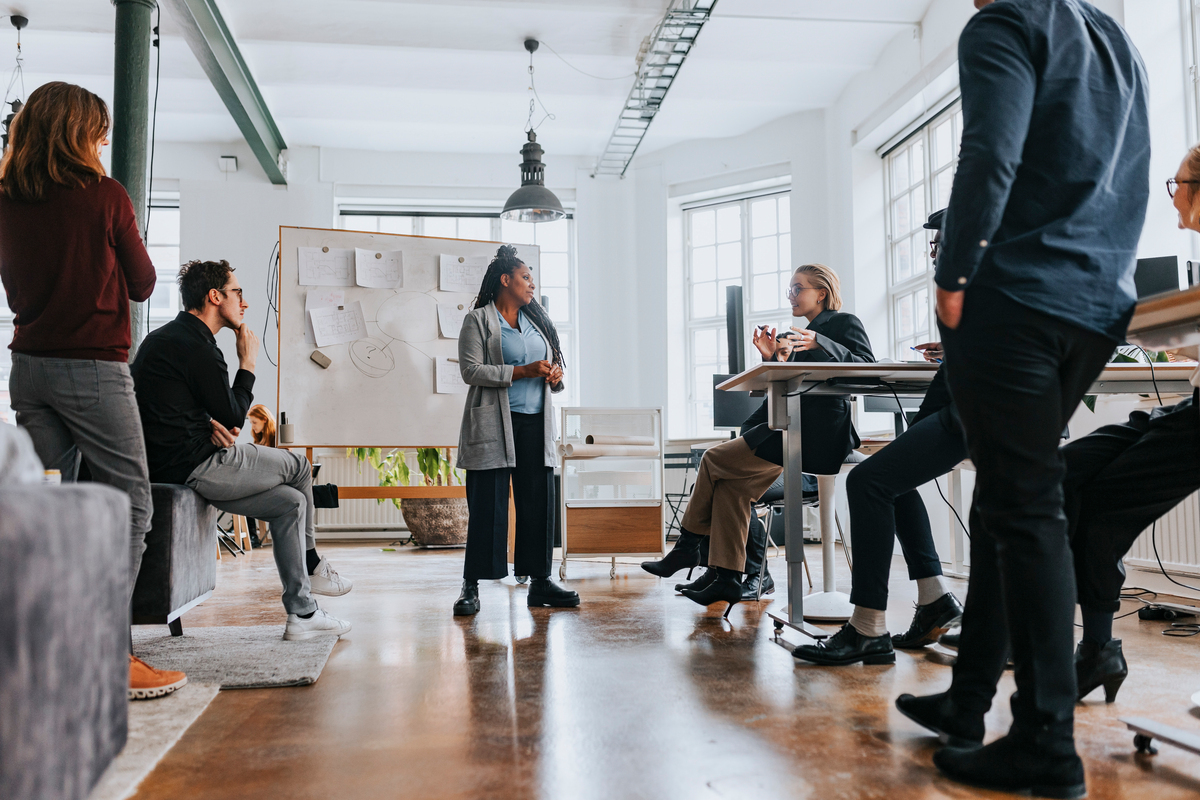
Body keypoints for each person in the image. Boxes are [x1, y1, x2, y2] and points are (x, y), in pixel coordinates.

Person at [895, 1, 1151, 796]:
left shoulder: (1004, 24)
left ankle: (1045, 742)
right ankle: (969, 703)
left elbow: (988, 150)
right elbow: (1132, 173)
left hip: (1018, 300)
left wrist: (953, 272)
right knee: (1012, 506)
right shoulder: (1114, 37)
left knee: (1025, 509)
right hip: (1098, 300)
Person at [0, 81, 186, 699]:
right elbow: (142, 284)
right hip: (93, 372)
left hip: (28, 369)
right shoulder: (104, 195)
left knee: (47, 512)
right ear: (80, 133)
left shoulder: (4, 197)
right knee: (131, 505)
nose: (104, 140)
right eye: (98, 130)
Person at [131, 260, 353, 641]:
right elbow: (234, 412)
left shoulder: (167, 338)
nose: (244, 303)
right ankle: (313, 563)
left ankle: (302, 614)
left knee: (290, 504)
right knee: (299, 466)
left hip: (178, 461)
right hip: (198, 464)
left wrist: (206, 423)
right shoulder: (198, 346)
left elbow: (185, 409)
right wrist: (247, 361)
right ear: (214, 297)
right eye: (237, 293)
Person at [643, 263, 874, 617]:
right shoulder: (801, 334)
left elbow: (866, 368)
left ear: (822, 293)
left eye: (798, 288)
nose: (791, 296)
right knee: (731, 489)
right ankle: (727, 577)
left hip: (819, 434)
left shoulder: (841, 324)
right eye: (790, 290)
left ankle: (687, 547)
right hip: (788, 426)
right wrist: (771, 359)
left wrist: (821, 342)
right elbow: (786, 388)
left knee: (713, 460)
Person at [794, 210, 964, 667]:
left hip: (975, 405)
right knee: (891, 480)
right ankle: (934, 599)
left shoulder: (980, 279)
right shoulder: (976, 282)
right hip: (955, 395)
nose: (932, 252)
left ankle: (868, 627)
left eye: (939, 241)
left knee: (867, 482)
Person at [453, 245, 578, 616]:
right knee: (487, 506)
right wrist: (521, 371)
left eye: (532, 279)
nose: (532, 285)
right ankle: (471, 585)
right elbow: (470, 371)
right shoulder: (477, 320)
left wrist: (555, 376)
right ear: (505, 280)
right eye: (526, 277)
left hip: (536, 424)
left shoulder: (537, 322)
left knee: (538, 503)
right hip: (494, 423)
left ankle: (539, 581)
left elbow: (551, 368)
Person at [243, 404, 277, 547]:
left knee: (246, 491)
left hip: (273, 481)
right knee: (245, 489)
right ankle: (252, 536)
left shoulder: (278, 439)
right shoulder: (258, 439)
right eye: (251, 423)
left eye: (254, 422)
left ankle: (251, 535)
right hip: (261, 480)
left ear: (264, 419)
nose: (253, 426)